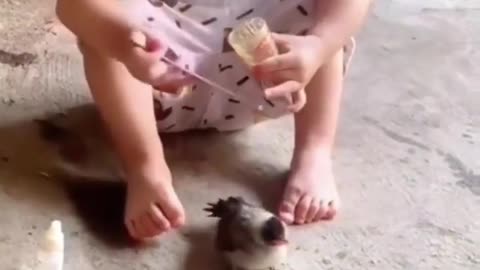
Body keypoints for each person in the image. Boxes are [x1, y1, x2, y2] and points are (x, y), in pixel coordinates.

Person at [55, 0, 372, 240]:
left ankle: (313, 152)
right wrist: (124, 42)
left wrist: (320, 44)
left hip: (265, 81)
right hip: (155, 86)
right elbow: (72, 7)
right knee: (104, 31)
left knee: (328, 24)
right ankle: (146, 167)